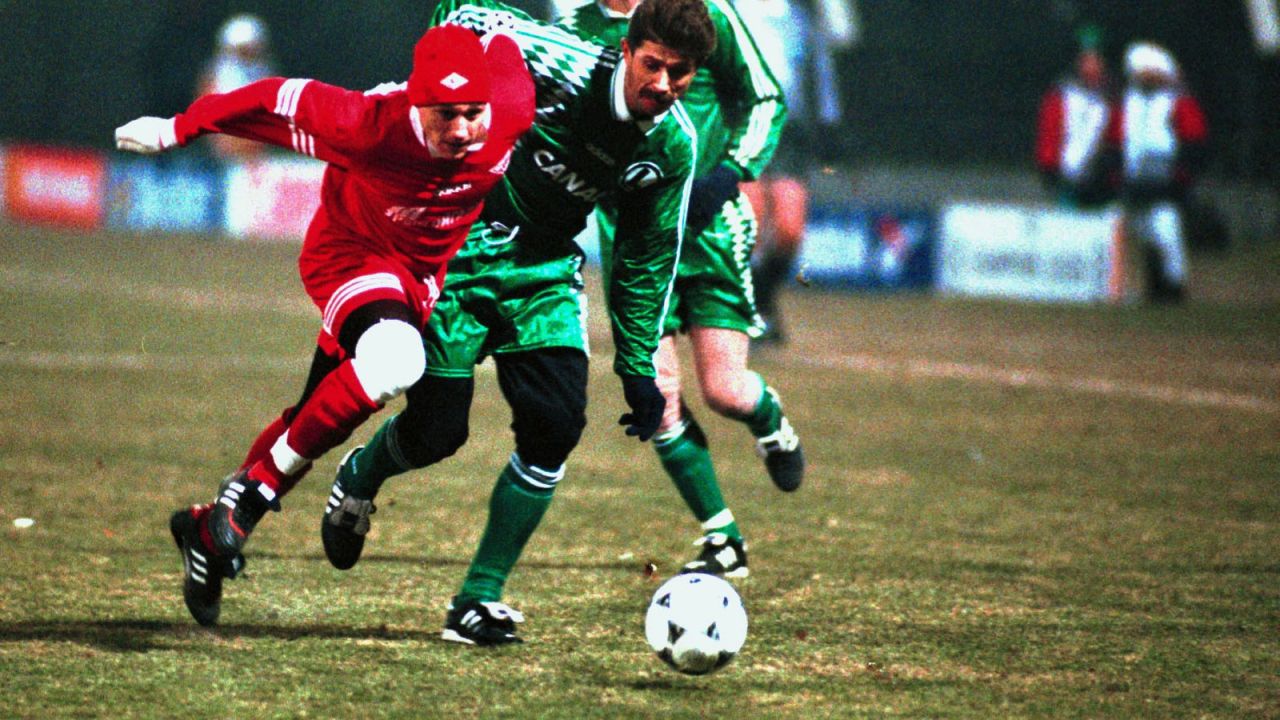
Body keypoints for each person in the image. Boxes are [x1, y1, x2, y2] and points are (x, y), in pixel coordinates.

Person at [319, 0, 715, 646]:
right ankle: (362, 475)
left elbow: (645, 259)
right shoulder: (556, 60)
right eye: (654, 65)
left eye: (682, 73)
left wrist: (639, 366)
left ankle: (477, 599)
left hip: (544, 273)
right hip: (460, 250)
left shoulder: (672, 146)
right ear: (626, 50)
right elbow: (463, 13)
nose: (665, 85)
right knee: (437, 432)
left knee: (556, 427)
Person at [113, 24, 537, 626]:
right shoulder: (369, 124)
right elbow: (270, 98)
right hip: (351, 257)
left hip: (416, 280)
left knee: (316, 418)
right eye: (447, 115)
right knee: (396, 360)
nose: (465, 130)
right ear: (417, 102)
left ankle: (207, 532)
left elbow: (510, 51)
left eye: (473, 113)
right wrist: (178, 128)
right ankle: (250, 493)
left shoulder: (512, 105)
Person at [556, 0, 801, 584]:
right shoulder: (578, 32)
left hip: (711, 231)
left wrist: (731, 171)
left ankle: (770, 421)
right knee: (659, 393)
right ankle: (723, 536)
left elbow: (766, 95)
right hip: (633, 240)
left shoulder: (702, 15)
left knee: (725, 391)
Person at [733, 0, 855, 345]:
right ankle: (749, 316)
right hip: (743, 122)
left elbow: (822, 67)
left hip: (790, 129)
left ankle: (763, 301)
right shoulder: (726, 8)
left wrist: (831, 123)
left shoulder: (799, 15)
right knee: (749, 225)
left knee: (789, 230)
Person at [1109, 41, 1209, 302]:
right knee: (1143, 234)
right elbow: (1116, 141)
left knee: (1166, 232)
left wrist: (1181, 177)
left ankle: (1174, 286)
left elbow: (1194, 141)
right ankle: (1152, 287)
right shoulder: (1128, 103)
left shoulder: (1179, 102)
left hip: (1166, 181)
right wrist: (1117, 175)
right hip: (1135, 180)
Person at [1035, 28, 1117, 209]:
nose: (1091, 67)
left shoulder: (1113, 99)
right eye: (1085, 61)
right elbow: (1050, 133)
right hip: (1068, 181)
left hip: (1103, 183)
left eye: (1096, 61)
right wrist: (1049, 167)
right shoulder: (1061, 95)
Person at [197, 14, 278, 165]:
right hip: (226, 154)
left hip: (257, 154)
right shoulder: (217, 75)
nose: (250, 53)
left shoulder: (264, 72)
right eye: (244, 48)